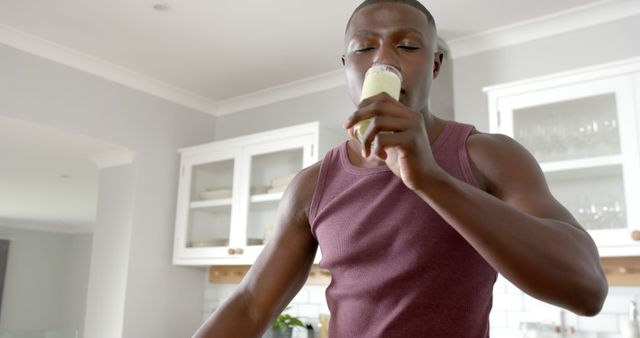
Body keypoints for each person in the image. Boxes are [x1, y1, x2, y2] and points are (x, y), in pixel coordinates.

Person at [193, 0, 608, 337]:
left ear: (435, 65)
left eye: (408, 46)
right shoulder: (312, 185)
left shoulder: (488, 156)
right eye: (364, 48)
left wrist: (429, 179)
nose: (382, 63)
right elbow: (250, 307)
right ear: (346, 66)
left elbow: (587, 289)